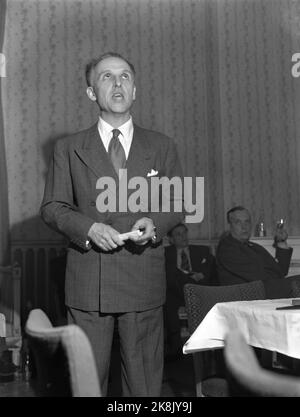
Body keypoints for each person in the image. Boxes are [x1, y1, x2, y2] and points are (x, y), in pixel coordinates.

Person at [40, 52, 184, 396]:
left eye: (125, 77)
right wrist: (88, 228)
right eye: (106, 77)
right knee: (87, 384)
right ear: (91, 93)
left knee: (145, 386)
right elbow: (52, 207)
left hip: (142, 280)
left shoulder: (162, 146)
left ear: (135, 90)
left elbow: (178, 203)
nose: (117, 83)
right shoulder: (69, 147)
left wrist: (156, 222)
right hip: (90, 281)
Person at [216, 206, 294, 298]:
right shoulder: (227, 249)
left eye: (247, 222)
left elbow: (281, 271)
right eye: (238, 222)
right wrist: (278, 276)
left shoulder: (255, 247)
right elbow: (262, 277)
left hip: (265, 295)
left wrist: (281, 242)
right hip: (244, 301)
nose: (244, 227)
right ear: (229, 225)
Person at [164, 223, 217, 360]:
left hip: (197, 291)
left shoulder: (202, 251)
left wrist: (200, 276)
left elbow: (209, 271)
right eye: (178, 234)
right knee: (170, 293)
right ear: (171, 239)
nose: (183, 237)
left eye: (184, 233)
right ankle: (175, 348)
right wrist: (186, 278)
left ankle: (206, 344)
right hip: (175, 292)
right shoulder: (165, 253)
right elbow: (168, 278)